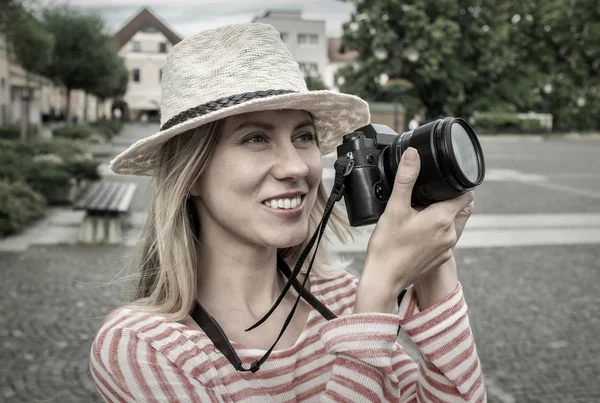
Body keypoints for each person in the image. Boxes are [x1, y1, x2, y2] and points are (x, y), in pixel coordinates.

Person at [89, 23, 485, 402]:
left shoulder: (341, 299)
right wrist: (377, 302)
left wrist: (434, 273)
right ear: (190, 175)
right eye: (256, 138)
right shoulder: (144, 347)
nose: (296, 166)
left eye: (303, 136)